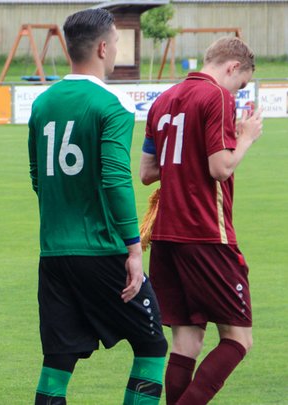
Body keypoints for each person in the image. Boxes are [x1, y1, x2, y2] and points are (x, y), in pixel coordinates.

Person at [28, 9, 167, 405]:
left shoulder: (42, 103)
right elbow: (115, 179)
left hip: (54, 252)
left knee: (59, 357)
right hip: (102, 249)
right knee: (152, 345)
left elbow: (38, 176)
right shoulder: (113, 103)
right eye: (117, 43)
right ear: (104, 48)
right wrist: (133, 248)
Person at [139, 36, 263, 405]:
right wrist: (245, 138)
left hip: (166, 236)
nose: (237, 92)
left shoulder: (163, 100)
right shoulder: (217, 96)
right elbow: (220, 168)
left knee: (186, 341)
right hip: (206, 234)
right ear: (232, 67)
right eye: (240, 84)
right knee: (239, 339)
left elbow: (147, 172)